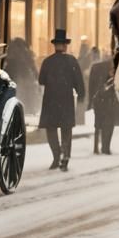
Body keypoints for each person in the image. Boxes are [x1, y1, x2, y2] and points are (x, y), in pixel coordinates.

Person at [38, 29, 86, 171]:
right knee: (66, 130)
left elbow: (41, 80)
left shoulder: (47, 61)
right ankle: (65, 156)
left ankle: (56, 156)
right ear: (65, 45)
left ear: (55, 46)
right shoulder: (72, 61)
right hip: (66, 100)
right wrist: (81, 95)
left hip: (50, 100)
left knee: (51, 130)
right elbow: (79, 82)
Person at [88, 51, 119, 155]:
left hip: (98, 99)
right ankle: (105, 147)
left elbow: (91, 86)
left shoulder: (96, 67)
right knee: (109, 124)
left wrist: (90, 100)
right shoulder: (114, 67)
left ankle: (96, 147)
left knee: (98, 124)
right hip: (109, 99)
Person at [4, 37, 39, 114]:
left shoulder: (12, 53)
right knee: (26, 94)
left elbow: (8, 66)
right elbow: (32, 66)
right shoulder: (27, 54)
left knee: (18, 94)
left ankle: (19, 110)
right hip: (26, 77)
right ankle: (28, 110)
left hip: (14, 76)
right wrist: (36, 76)